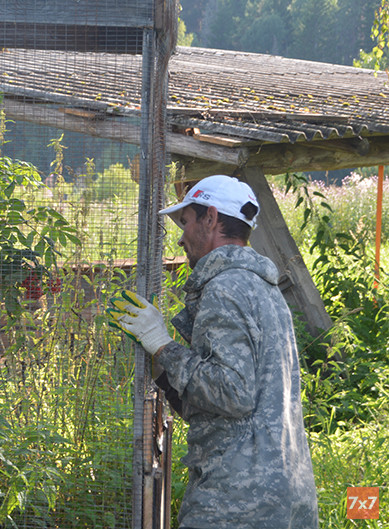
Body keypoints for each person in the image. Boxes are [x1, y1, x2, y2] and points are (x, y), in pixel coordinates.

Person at [107, 174, 319, 529]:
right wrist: (161, 367)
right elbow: (226, 408)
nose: (180, 234)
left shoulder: (225, 286)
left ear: (211, 218)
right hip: (285, 492)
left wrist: (164, 344)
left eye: (186, 220)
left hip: (238, 499)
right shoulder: (262, 287)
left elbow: (231, 393)